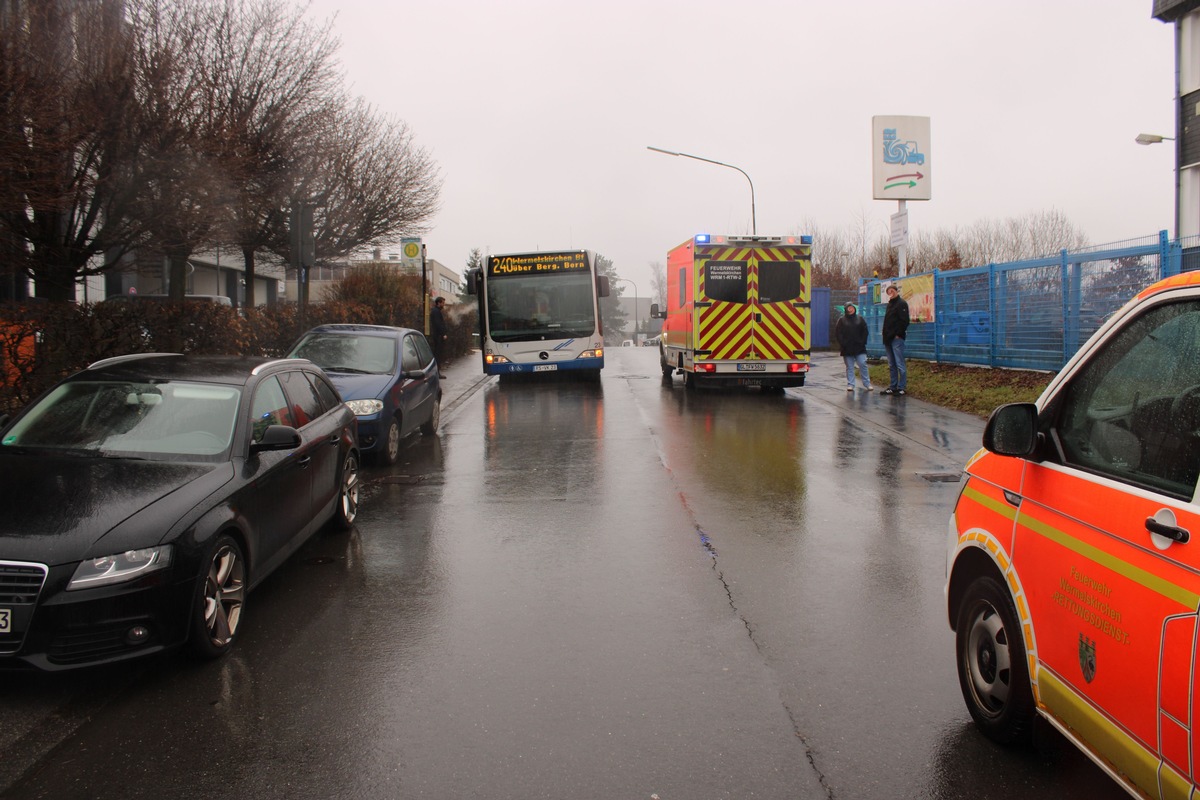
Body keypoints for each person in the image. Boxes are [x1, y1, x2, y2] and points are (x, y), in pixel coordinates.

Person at [834, 301, 871, 391]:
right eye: (848, 308)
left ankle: (867, 383)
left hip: (859, 347)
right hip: (847, 348)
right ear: (846, 309)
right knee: (850, 367)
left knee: (863, 364)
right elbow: (838, 333)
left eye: (852, 307)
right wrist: (843, 343)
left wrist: (862, 342)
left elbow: (865, 331)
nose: (850, 309)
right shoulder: (841, 320)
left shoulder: (860, 319)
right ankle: (851, 384)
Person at [881, 283, 910, 395]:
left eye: (892, 290)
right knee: (891, 364)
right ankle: (893, 386)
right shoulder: (890, 304)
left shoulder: (901, 303)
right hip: (888, 338)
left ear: (896, 291)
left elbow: (904, 321)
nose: (890, 293)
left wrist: (898, 334)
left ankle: (901, 387)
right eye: (889, 292)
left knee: (899, 363)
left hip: (896, 338)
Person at [430, 296, 448, 378]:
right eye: (442, 303)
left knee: (438, 354)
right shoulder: (436, 312)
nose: (443, 305)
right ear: (438, 303)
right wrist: (443, 334)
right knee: (437, 355)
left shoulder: (436, 311)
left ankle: (437, 373)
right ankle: (437, 373)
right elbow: (438, 324)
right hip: (438, 336)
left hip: (437, 336)